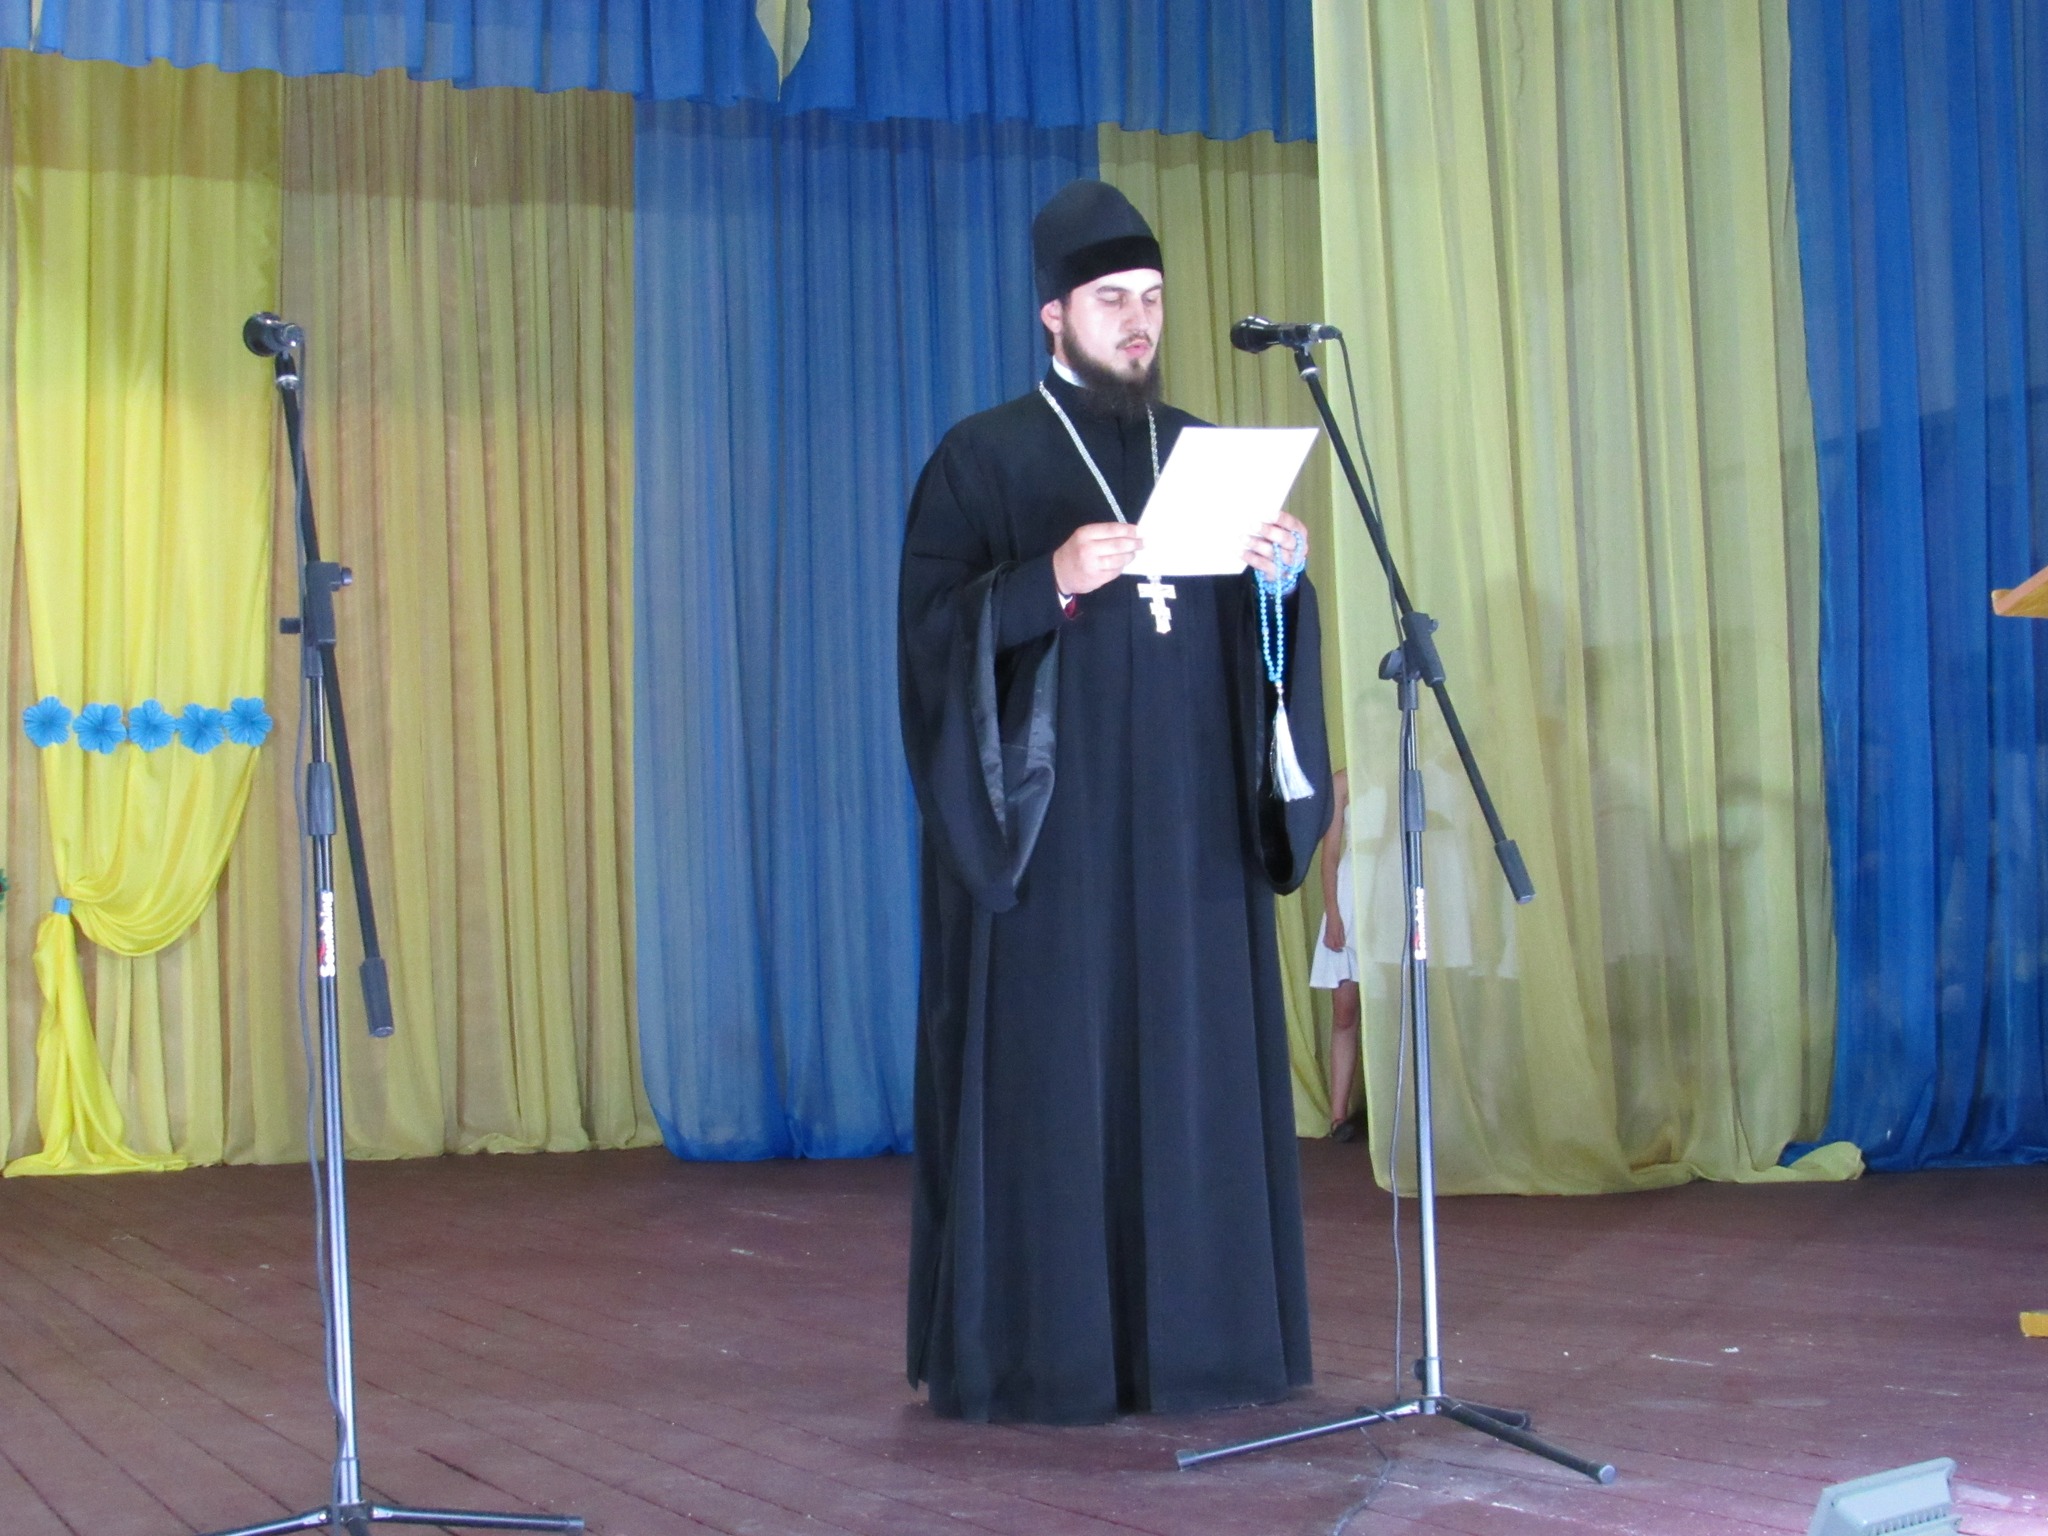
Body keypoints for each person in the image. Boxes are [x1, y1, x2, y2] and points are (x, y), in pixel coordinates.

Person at [895, 179, 1332, 1425]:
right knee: (1058, 1086)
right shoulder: (981, 459)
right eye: (1111, 303)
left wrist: (1278, 588)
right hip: (1056, 846)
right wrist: (1041, 581)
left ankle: (1201, 1349)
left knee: (1189, 1081)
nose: (1139, 323)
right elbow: (927, 644)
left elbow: (1247, 655)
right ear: (1053, 315)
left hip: (1188, 838)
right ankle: (1046, 1356)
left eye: (1151, 300)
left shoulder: (1202, 452)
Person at [1311, 767, 1364, 1140]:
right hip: (1351, 898)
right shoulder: (1343, 781)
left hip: (1394, 895)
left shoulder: (1412, 768)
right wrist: (1333, 914)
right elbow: (1329, 856)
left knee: (1399, 1009)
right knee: (1344, 1011)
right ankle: (1338, 1117)